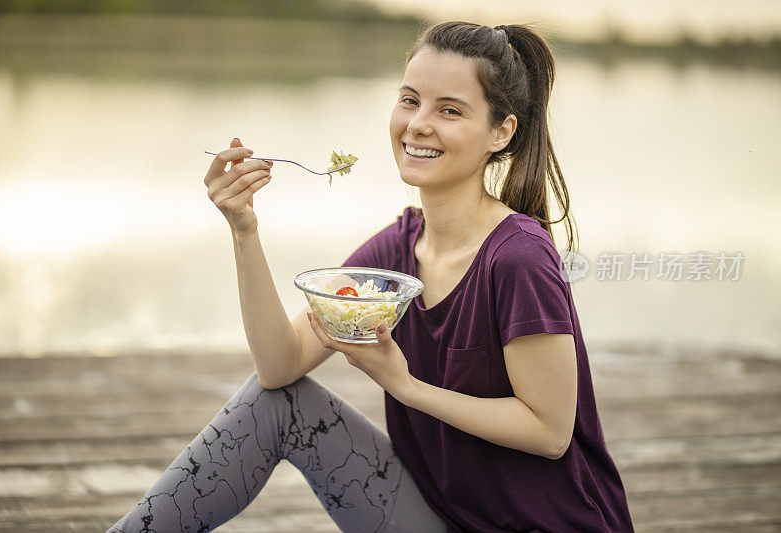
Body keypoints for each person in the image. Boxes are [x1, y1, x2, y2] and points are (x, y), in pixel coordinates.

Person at [108, 21, 634, 533]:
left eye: (449, 110)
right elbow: (279, 366)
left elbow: (549, 431)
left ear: (501, 132)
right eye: (410, 100)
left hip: (544, 524)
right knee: (281, 404)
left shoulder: (518, 257)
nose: (418, 124)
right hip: (439, 518)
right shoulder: (394, 253)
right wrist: (244, 231)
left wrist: (406, 387)